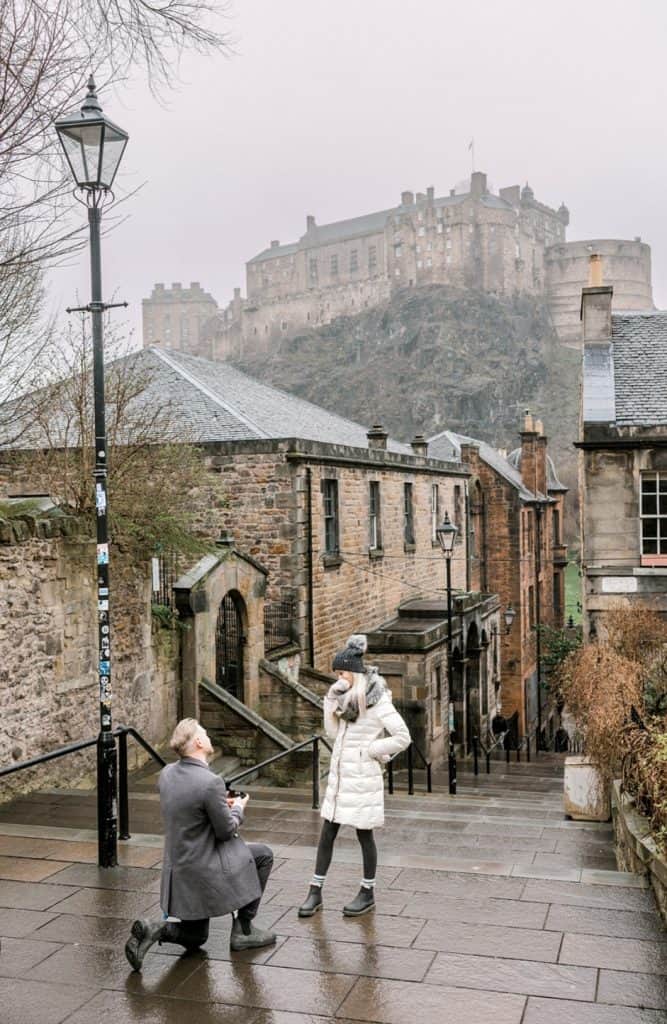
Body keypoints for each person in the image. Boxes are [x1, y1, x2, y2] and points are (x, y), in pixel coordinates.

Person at [124, 718, 276, 972]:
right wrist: (237, 808)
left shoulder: (167, 774)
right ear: (197, 742)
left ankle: (155, 928)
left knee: (196, 938)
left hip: (179, 870)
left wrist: (218, 805)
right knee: (263, 855)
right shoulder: (210, 782)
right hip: (205, 867)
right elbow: (226, 831)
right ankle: (244, 930)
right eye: (204, 733)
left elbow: (189, 808)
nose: (208, 736)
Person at [298, 634, 410, 918]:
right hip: (339, 778)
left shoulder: (378, 699)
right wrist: (329, 702)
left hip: (362, 777)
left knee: (364, 834)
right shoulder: (344, 698)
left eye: (342, 672)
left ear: (355, 672)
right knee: (327, 833)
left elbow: (402, 736)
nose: (338, 677)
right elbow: (333, 734)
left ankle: (367, 892)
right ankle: (315, 891)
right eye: (336, 672)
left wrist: (372, 749)